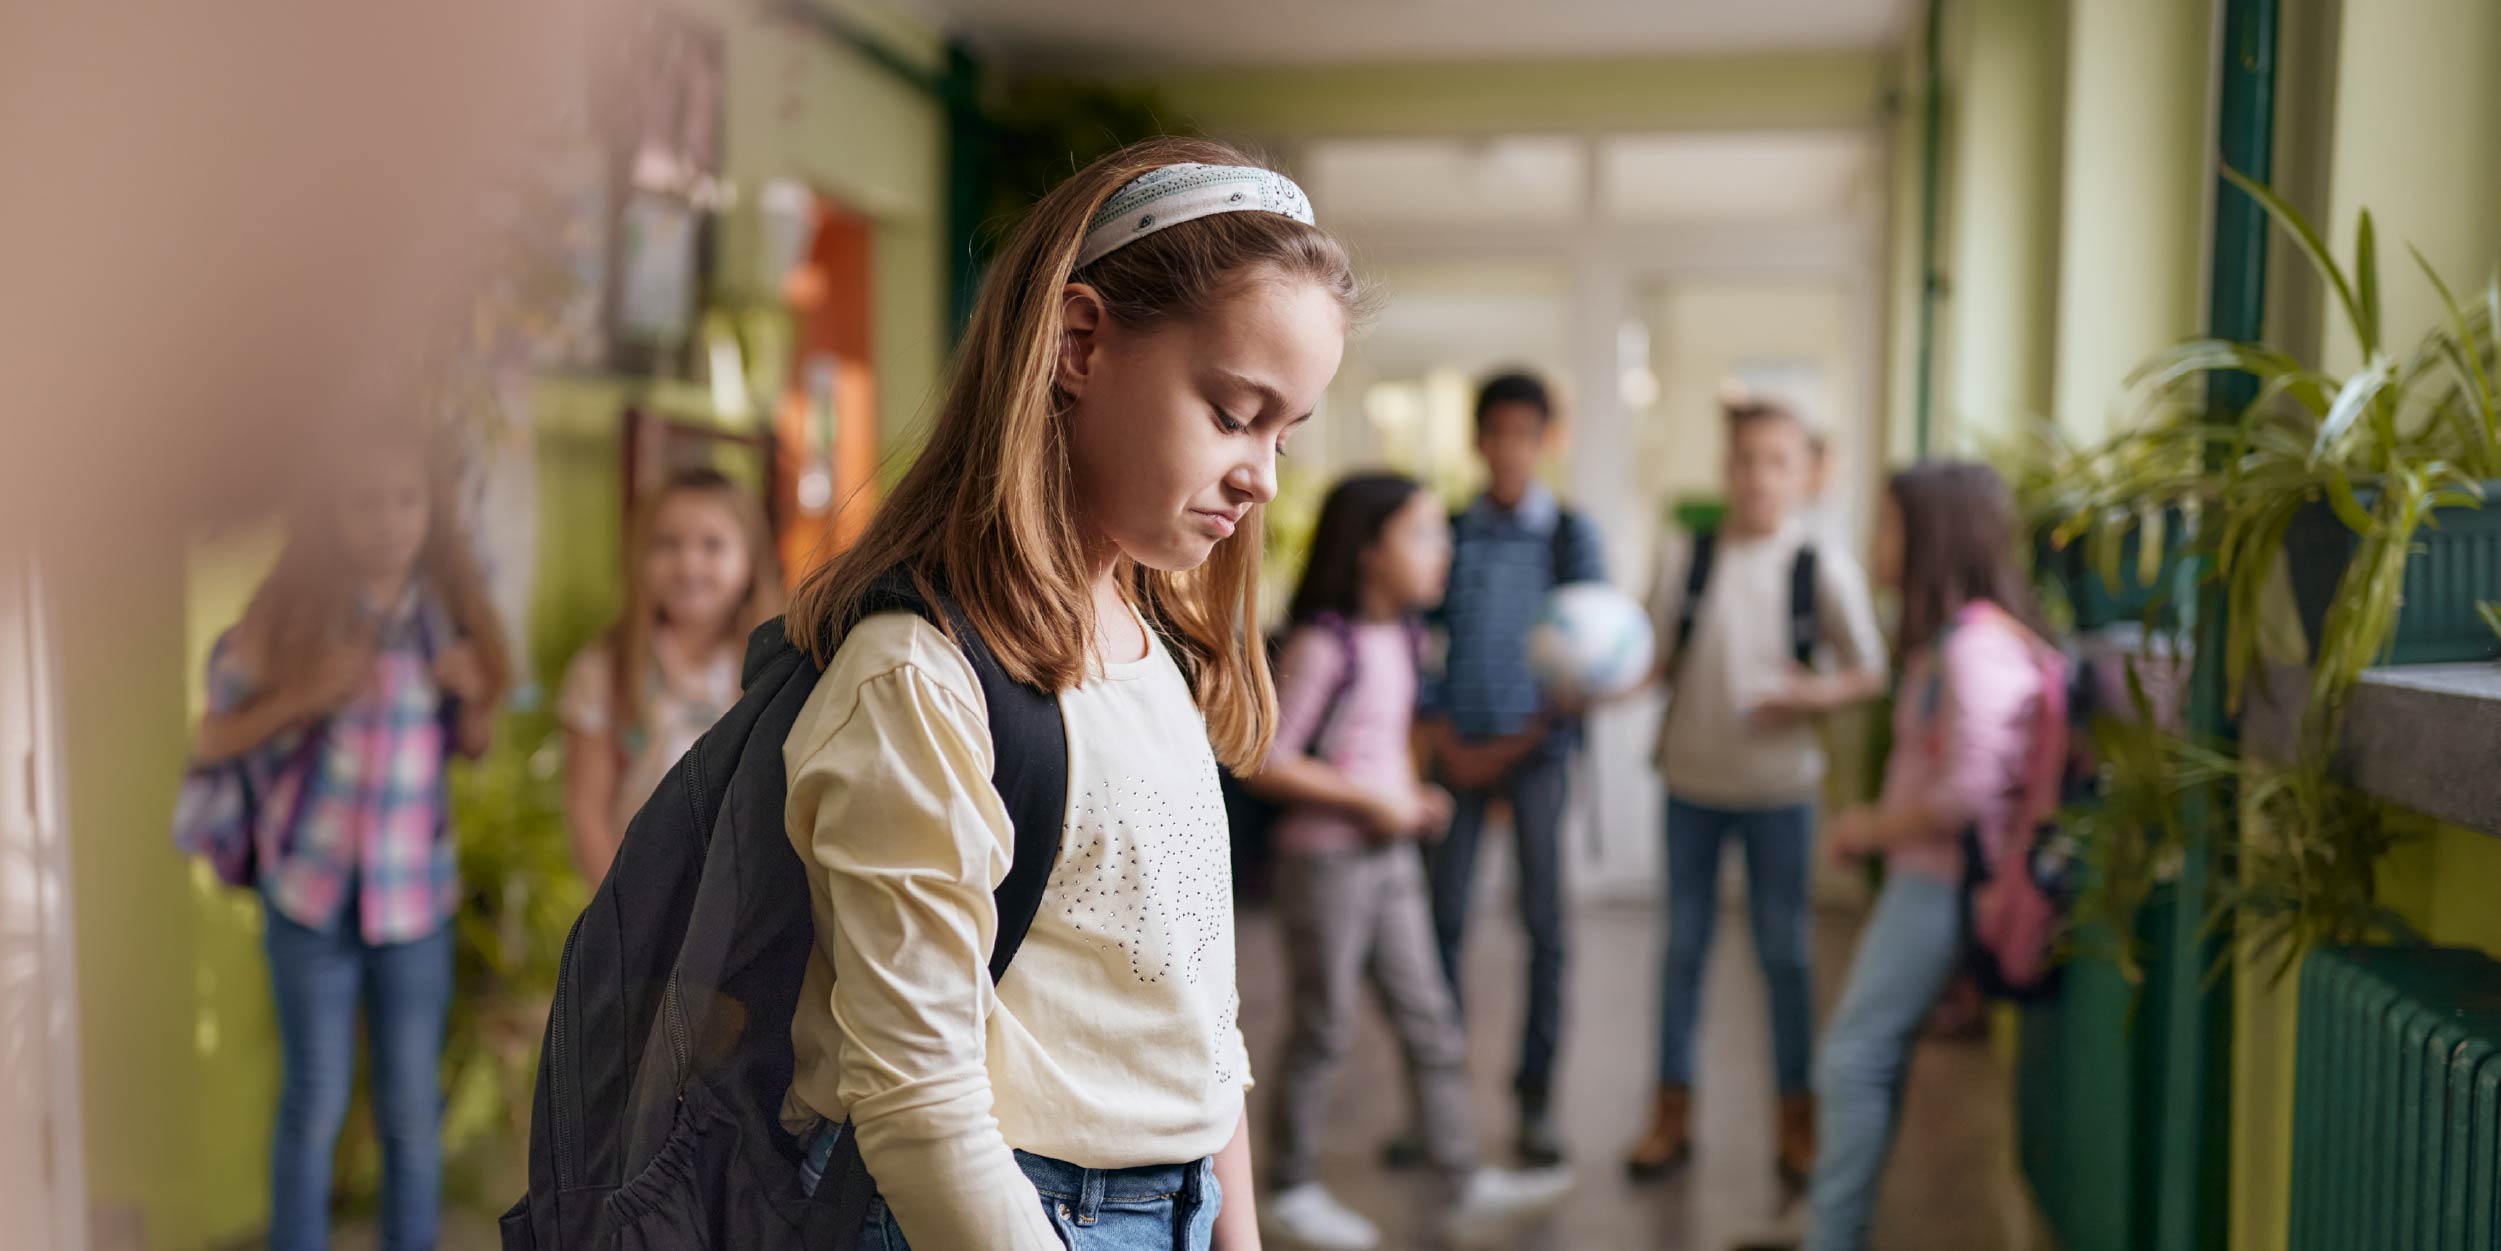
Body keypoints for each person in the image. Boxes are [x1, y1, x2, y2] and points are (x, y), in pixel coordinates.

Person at [774, 138, 1356, 1250]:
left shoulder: (1153, 646)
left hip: (1177, 1202)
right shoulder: (918, 677)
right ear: (1081, 342)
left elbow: (1199, 1014)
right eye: (1235, 413)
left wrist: (1232, 1227)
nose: (1264, 476)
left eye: (1286, 432)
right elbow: (920, 1110)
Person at [187, 423, 511, 1251]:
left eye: (407, 499)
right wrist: (296, 694)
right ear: (327, 513)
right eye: (364, 501)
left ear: (432, 509)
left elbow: (470, 745)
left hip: (414, 904)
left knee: (409, 1110)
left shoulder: (447, 618)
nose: (389, 519)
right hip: (309, 897)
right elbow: (211, 737)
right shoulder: (292, 617)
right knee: (314, 1098)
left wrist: (475, 701)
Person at [1249, 473, 1575, 1250]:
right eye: (1425, 533)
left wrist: (1409, 797)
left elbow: (1375, 746)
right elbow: (1266, 759)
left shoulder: (1402, 637)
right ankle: (1290, 1186)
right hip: (1325, 866)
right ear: (1367, 551)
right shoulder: (1324, 642)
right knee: (1322, 1028)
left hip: (1390, 859)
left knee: (1432, 1021)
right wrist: (1374, 802)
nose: (1446, 550)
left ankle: (1463, 1176)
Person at [1753, 461, 2065, 1251]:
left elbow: (1967, 793)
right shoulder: (1956, 642)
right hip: (1927, 883)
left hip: (1938, 885)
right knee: (1868, 1051)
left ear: (1934, 537)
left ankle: (1832, 1234)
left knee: (1854, 1055)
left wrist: (1868, 826)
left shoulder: (1973, 647)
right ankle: (1833, 1219)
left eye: (1888, 525)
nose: (1874, 542)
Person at [1626, 399, 1887, 1186]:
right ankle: (1669, 1115)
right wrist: (1587, 680)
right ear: (1726, 467)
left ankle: (1794, 1122)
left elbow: (1869, 670)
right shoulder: (1685, 556)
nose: (1758, 477)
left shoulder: (1821, 565)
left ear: (1805, 473)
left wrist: (1813, 697)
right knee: (1681, 951)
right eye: (1744, 459)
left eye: (1777, 460)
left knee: (1784, 955)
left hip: (1781, 791)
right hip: (1691, 784)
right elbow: (1648, 656)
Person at [1414, 369, 1609, 1168]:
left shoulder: (1570, 535)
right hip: (1454, 753)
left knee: (1544, 928)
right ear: (1478, 439)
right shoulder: (1447, 528)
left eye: (1524, 434)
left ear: (1544, 442)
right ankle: (1438, 1110)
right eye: (1495, 433)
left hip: (1537, 756)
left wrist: (1526, 736)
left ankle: (1534, 1104)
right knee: (1442, 927)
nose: (1508, 449)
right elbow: (1417, 642)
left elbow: (1592, 650)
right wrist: (1437, 735)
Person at [558, 466, 782, 883]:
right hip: (641, 902)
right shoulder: (604, 669)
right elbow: (587, 812)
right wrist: (622, 918)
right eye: (667, 543)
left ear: (751, 558)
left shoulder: (778, 670)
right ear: (638, 553)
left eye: (712, 545)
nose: (688, 563)